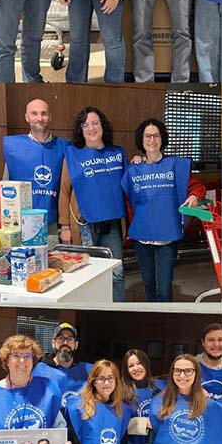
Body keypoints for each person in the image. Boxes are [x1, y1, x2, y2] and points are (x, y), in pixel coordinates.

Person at [121, 118, 206, 303]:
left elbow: (197, 187)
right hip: (142, 237)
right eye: (147, 136)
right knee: (148, 283)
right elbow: (128, 202)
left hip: (166, 237)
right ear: (141, 139)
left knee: (165, 287)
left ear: (162, 139)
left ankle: (167, 311)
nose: (152, 140)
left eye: (156, 136)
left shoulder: (175, 166)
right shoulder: (134, 169)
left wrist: (194, 197)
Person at [58, 107, 126, 302]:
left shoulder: (117, 153)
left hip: (111, 225)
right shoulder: (73, 156)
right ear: (81, 130)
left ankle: (117, 310)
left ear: (103, 126)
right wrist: (64, 226)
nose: (91, 128)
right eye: (85, 124)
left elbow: (128, 184)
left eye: (95, 123)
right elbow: (64, 191)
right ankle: (91, 310)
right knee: (85, 274)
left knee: (116, 273)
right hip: (84, 225)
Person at [2, 98, 69, 234]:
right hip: (21, 223)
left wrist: (65, 225)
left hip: (54, 224)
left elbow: (69, 189)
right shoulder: (14, 147)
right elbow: (5, 185)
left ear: (50, 117)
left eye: (44, 113)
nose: (40, 118)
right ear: (27, 117)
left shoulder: (65, 147)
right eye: (34, 113)